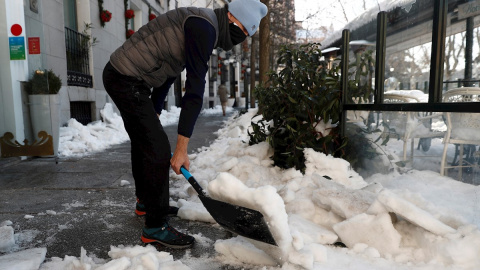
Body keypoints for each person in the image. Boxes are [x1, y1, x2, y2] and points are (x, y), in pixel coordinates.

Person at [102, 0, 268, 249]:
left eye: (247, 35)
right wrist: (181, 148)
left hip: (131, 79)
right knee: (157, 151)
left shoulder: (204, 25)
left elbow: (168, 72)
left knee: (145, 141)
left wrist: (156, 110)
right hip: (125, 77)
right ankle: (155, 228)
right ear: (232, 18)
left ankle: (146, 203)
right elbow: (194, 90)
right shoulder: (204, 28)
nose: (241, 38)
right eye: (242, 30)